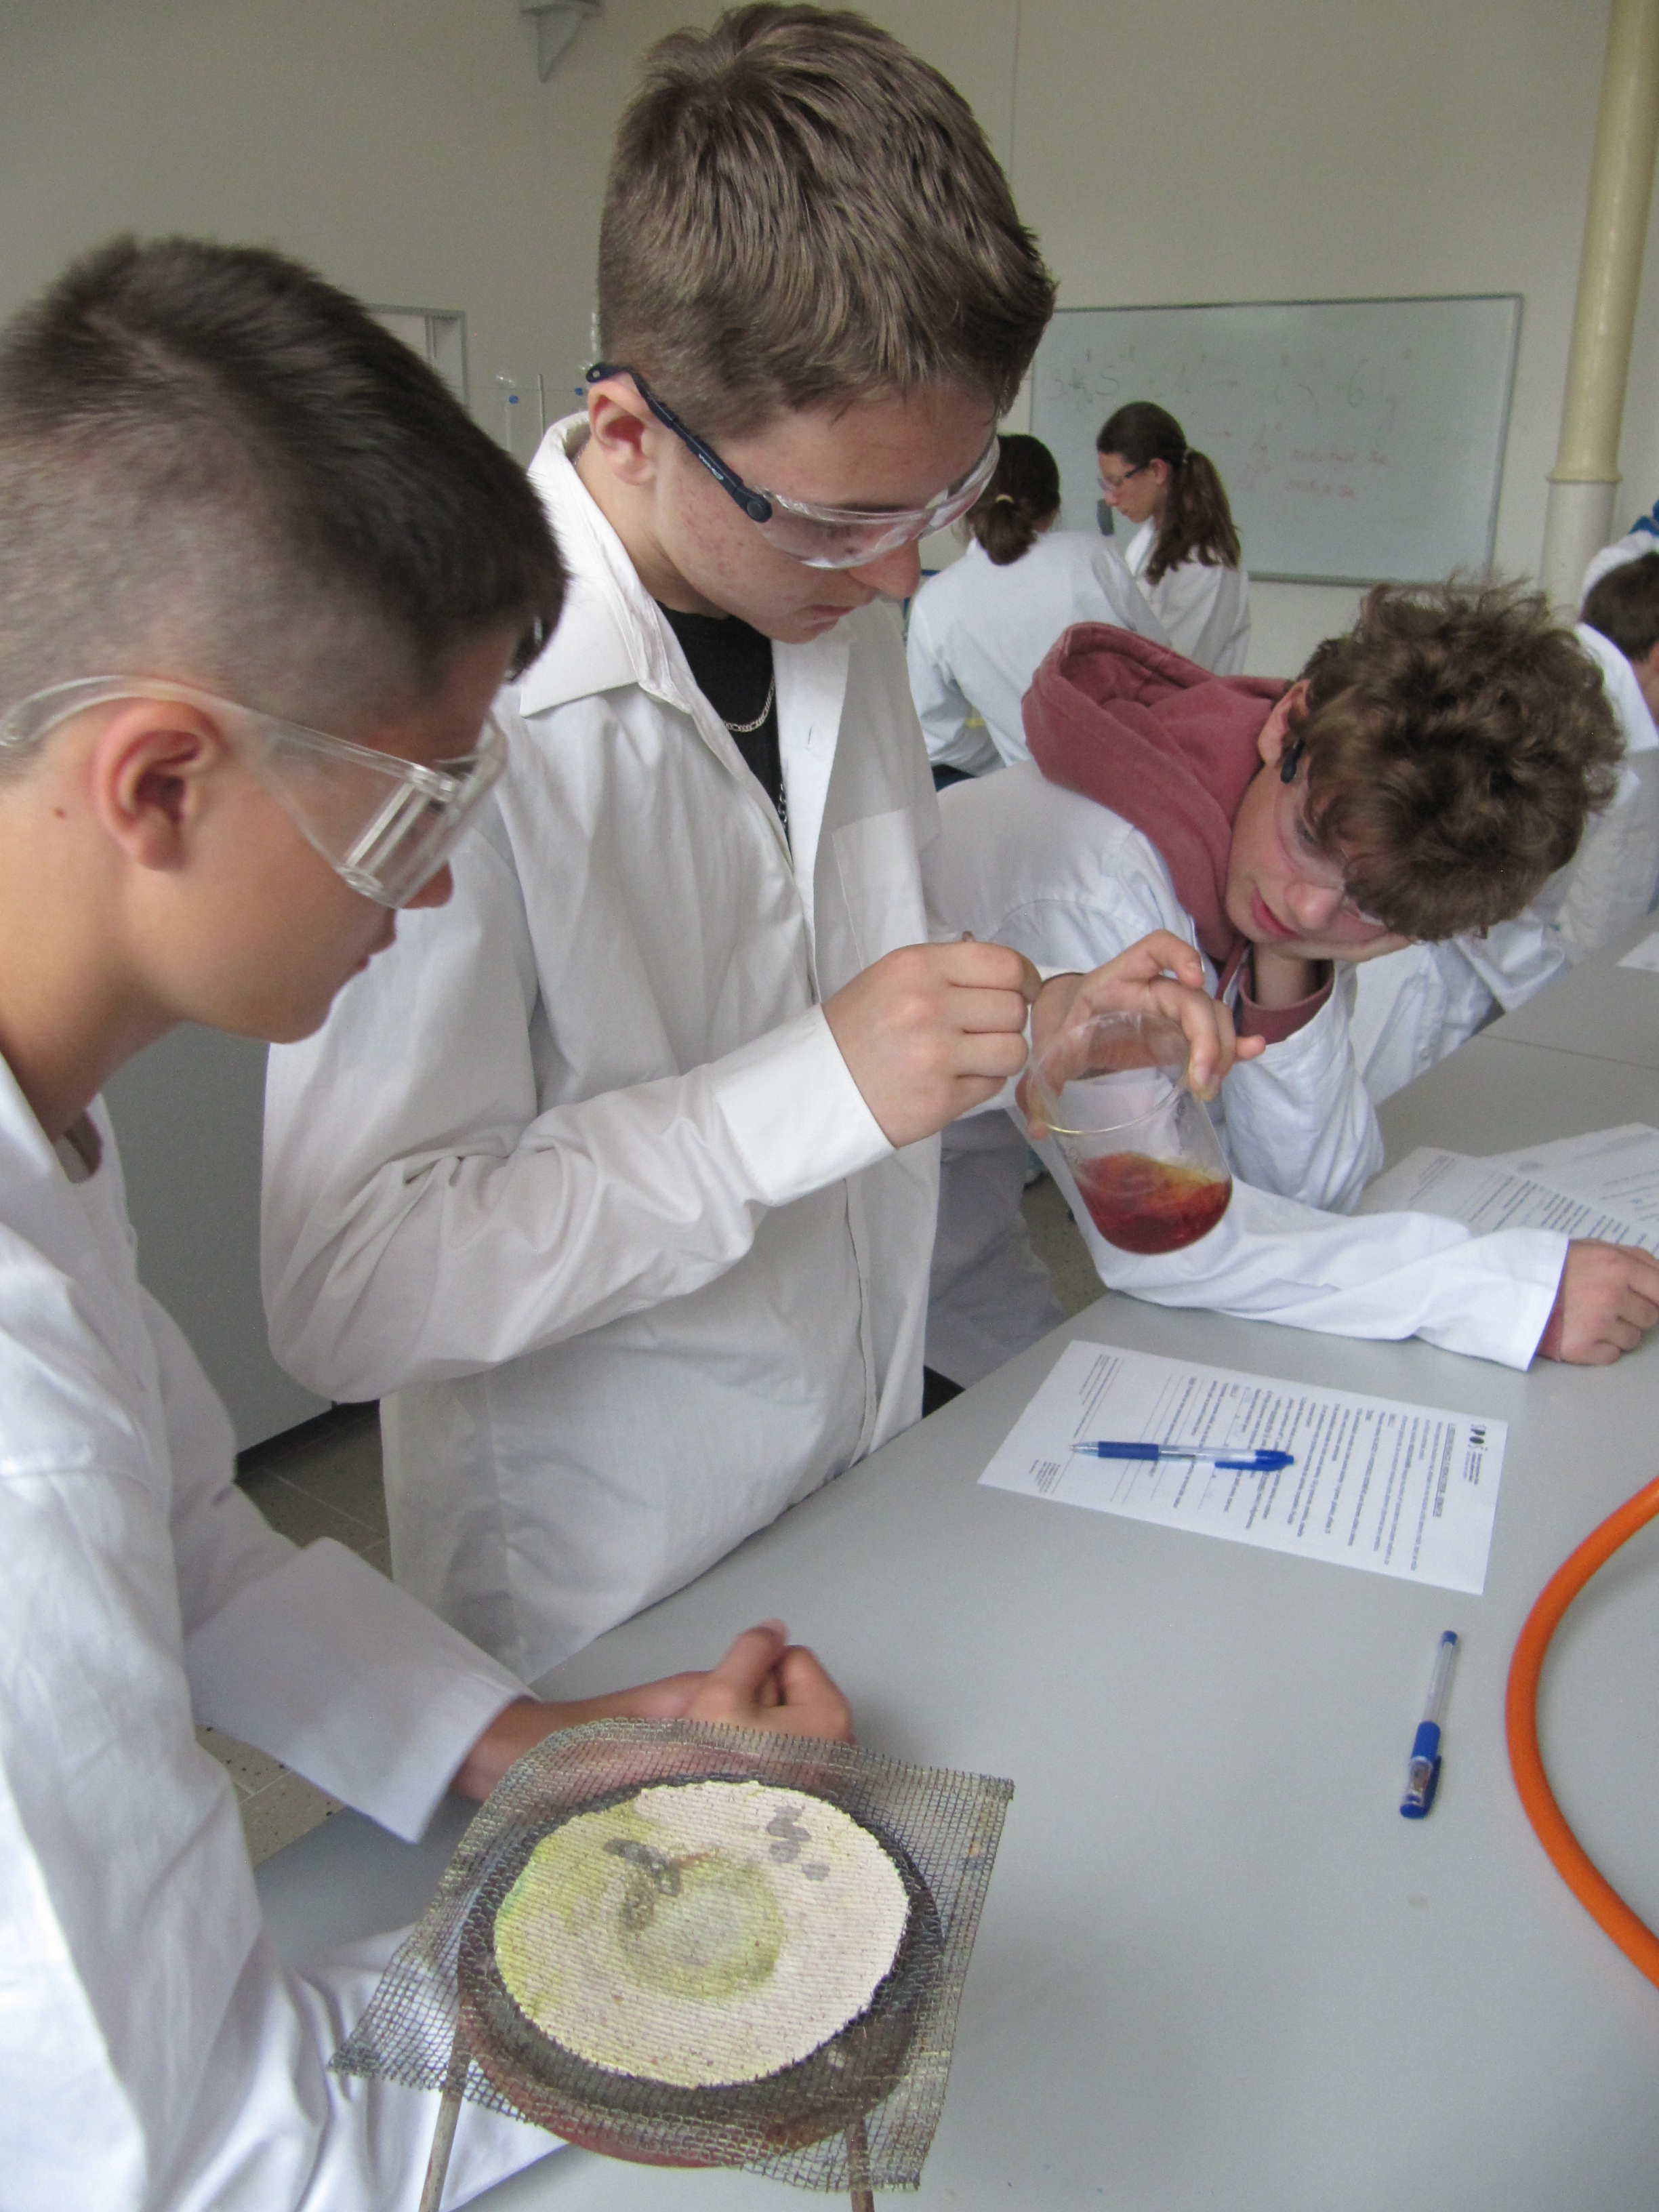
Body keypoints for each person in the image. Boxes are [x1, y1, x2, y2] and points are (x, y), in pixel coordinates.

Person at [0, 235, 860, 2212]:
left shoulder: (44, 1125)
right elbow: (208, 2163)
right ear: (158, 782)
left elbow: (191, 1542)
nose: (443, 893)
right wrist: (690, 1927)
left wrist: (524, 1744)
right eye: (414, 816)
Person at [262, 7, 1229, 1683]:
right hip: (610, 1599)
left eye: (944, 501)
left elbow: (852, 999)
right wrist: (800, 1095)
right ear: (631, 427)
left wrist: (1035, 1025)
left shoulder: (833, 615)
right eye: (847, 517)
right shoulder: (451, 704)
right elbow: (349, 1287)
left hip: (866, 1476)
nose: (905, 577)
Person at [927, 586, 1659, 1387]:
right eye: (1309, 838)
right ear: (1289, 722)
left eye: (1371, 907)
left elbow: (1313, 1195)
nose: (1308, 905)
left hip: (960, 1218)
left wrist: (1286, 969)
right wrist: (1508, 1293)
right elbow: (1166, 1238)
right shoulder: (1096, 883)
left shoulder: (1295, 857)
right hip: (867, 1225)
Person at [1348, 583, 1659, 1102]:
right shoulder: (1573, 715)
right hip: (1419, 968)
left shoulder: (1578, 694)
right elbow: (1488, 899)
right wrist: (1574, 1017)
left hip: (1446, 954)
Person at [905, 431, 1166, 777]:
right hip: (1138, 776)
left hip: (1030, 789)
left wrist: (1011, 754)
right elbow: (1165, 664)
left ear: (965, 512)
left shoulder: (935, 603)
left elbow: (933, 738)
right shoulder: (1093, 557)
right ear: (1053, 508)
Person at [1096, 400, 1250, 674]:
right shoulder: (1147, 539)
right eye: (1105, 485)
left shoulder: (1206, 561)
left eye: (1117, 483)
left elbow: (1174, 670)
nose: (1109, 498)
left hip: (1179, 698)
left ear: (1157, 471)